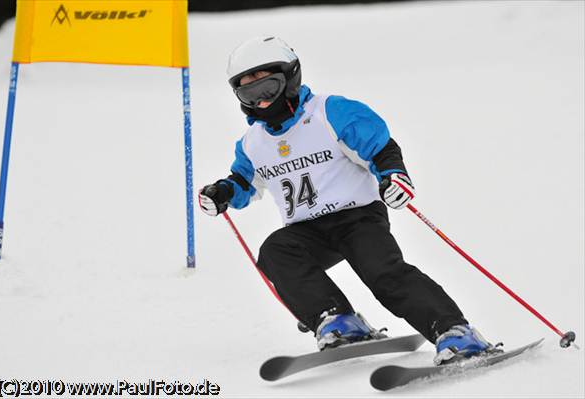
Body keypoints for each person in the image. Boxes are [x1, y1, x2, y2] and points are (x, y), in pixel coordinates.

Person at [199, 36, 494, 365]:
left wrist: (394, 176)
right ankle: (338, 320)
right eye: (250, 94)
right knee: (275, 251)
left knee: (383, 274)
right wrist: (223, 192)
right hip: (307, 230)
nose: (262, 103)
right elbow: (244, 180)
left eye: (267, 89)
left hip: (357, 218)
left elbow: (380, 148)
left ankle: (455, 332)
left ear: (290, 77)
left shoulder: (330, 112)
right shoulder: (253, 142)